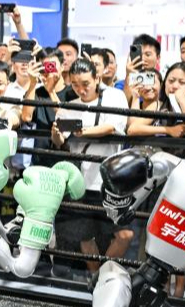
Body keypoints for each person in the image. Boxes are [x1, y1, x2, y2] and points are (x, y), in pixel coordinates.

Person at [51, 59, 129, 276]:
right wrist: (56, 134)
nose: (81, 89)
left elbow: (112, 126)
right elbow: (59, 142)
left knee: (124, 235)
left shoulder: (114, 96)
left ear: (97, 78)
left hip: (110, 182)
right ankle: (96, 278)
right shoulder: (69, 108)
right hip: (81, 182)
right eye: (75, 84)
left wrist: (83, 132)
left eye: (85, 83)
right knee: (85, 236)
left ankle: (103, 275)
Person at [20, 48, 76, 167]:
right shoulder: (36, 92)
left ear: (62, 66)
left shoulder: (73, 93)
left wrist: (51, 91)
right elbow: (26, 117)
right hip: (40, 161)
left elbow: (70, 123)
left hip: (67, 162)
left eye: (52, 66)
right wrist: (32, 83)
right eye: (44, 67)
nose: (49, 70)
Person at [121, 33, 160, 106]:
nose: (143, 58)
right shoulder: (121, 84)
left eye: (148, 54)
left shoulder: (164, 83)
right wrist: (128, 75)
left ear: (158, 58)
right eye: (140, 55)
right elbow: (123, 107)